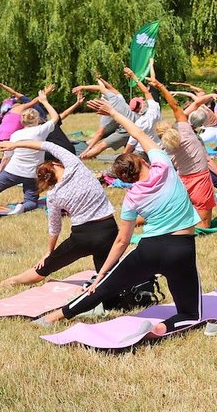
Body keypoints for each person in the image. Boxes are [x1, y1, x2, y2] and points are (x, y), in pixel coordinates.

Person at [36, 99, 204, 337]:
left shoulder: (131, 198)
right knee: (191, 314)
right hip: (182, 248)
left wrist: (101, 275)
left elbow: (121, 241)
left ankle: (54, 316)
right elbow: (137, 131)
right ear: (143, 160)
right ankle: (160, 328)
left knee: (103, 289)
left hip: (149, 250)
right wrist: (114, 111)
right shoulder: (163, 165)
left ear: (127, 180)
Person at [0, 139, 117, 286]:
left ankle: (10, 281)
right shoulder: (75, 165)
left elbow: (54, 227)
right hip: (109, 229)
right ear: (56, 164)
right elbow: (47, 145)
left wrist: (49, 252)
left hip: (83, 236)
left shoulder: (53, 195)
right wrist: (15, 144)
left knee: (43, 269)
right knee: (106, 276)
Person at [0, 89, 59, 214]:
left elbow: (7, 157)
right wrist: (44, 101)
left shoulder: (15, 135)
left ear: (22, 121)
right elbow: (55, 117)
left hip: (13, 170)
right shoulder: (41, 130)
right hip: (32, 174)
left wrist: (0, 172)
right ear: (37, 119)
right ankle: (23, 207)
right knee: (32, 201)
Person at [149, 77, 216, 229]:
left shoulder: (164, 148)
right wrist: (160, 86)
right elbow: (174, 105)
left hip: (180, 182)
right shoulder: (184, 128)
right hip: (200, 180)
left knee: (169, 215)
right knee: (204, 225)